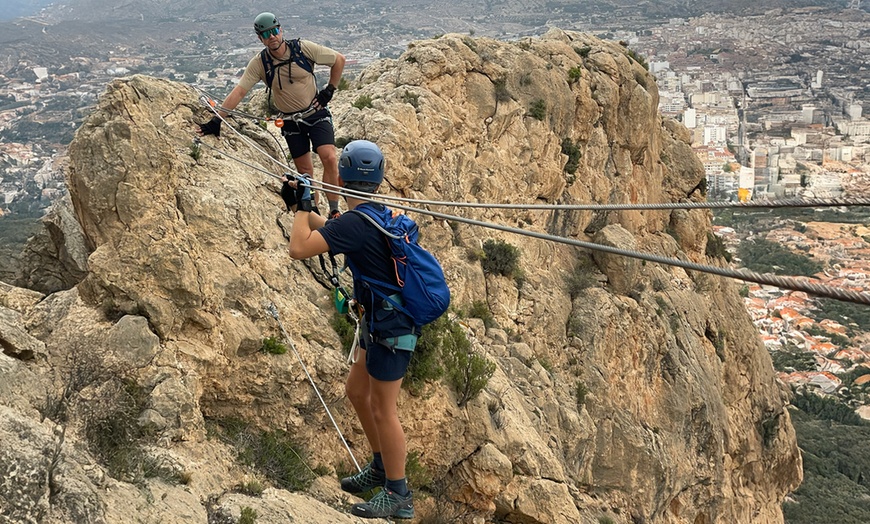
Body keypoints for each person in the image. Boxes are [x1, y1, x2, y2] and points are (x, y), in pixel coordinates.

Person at [288, 140, 417, 520]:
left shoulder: (357, 223)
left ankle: (398, 495)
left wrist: (300, 207)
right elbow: (329, 230)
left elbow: (298, 249)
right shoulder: (371, 216)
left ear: (340, 177)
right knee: (357, 392)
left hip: (390, 328)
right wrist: (305, 208)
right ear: (378, 181)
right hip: (382, 322)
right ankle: (380, 469)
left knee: (383, 409)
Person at [198, 12, 346, 218]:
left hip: (316, 113)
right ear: (260, 39)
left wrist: (329, 90)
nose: (272, 37)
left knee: (329, 157)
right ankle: (314, 211)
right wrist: (217, 119)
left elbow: (339, 60)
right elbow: (240, 91)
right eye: (266, 34)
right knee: (305, 172)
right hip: (290, 121)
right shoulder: (260, 63)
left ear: (281, 30)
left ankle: (334, 209)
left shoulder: (302, 48)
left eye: (274, 31)